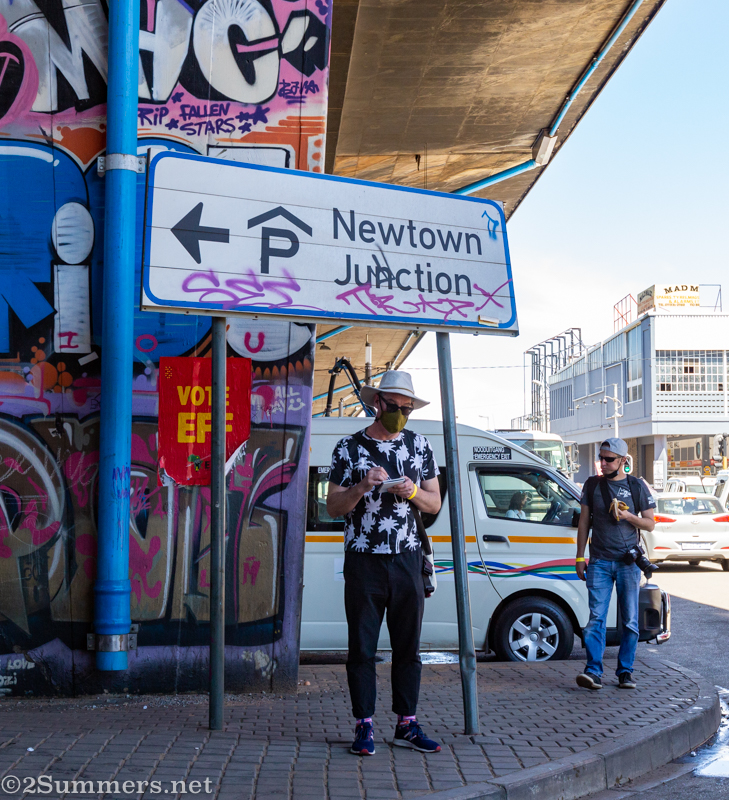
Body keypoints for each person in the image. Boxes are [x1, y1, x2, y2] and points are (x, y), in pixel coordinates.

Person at [326, 370, 443, 756]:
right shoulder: (348, 448)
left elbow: (435, 503)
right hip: (363, 559)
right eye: (395, 407)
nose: (401, 415)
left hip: (407, 557)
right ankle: (364, 726)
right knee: (361, 647)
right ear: (377, 404)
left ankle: (406, 724)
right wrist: (362, 486)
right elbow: (332, 506)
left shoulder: (420, 445)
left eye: (407, 409)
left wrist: (411, 493)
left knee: (408, 646)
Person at [575, 437, 656, 691]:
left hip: (627, 562)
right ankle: (593, 672)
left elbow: (650, 523)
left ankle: (625, 672)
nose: (603, 463)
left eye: (609, 459)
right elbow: (584, 523)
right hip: (598, 561)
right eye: (601, 458)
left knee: (630, 620)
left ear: (623, 460)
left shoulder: (636, 486)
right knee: (596, 619)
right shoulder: (591, 485)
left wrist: (627, 516)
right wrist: (580, 556)